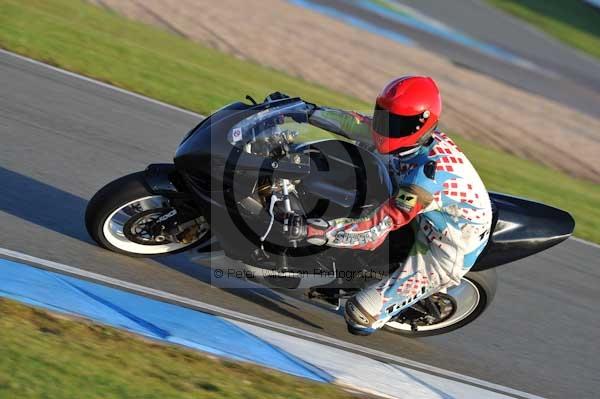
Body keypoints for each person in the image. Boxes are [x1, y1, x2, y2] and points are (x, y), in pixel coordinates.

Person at [289, 76, 493, 335]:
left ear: (422, 124)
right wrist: (304, 110)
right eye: (386, 117)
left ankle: (374, 300)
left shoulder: (426, 179)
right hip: (415, 202)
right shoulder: (407, 138)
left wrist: (313, 232)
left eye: (398, 124)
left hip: (441, 247)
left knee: (360, 317)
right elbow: (356, 124)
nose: (387, 128)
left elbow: (374, 230)